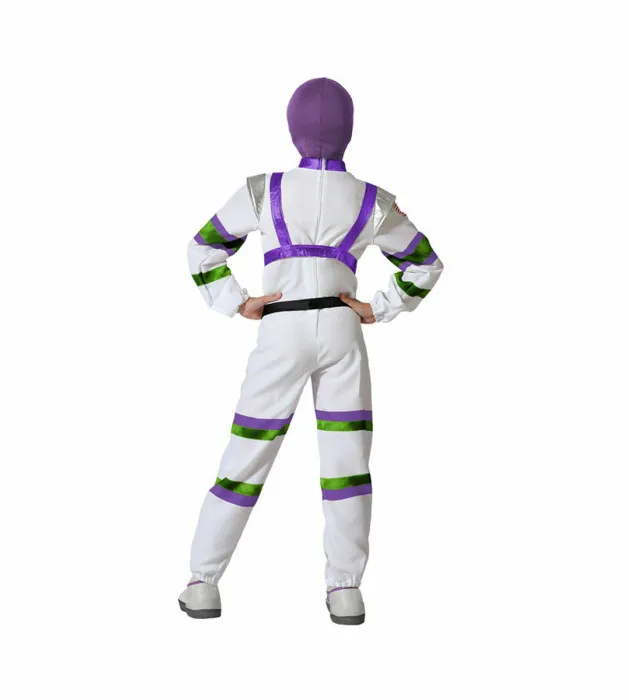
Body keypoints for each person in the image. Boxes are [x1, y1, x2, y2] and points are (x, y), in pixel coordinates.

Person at [179, 78, 444, 624]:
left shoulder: (263, 190)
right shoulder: (372, 199)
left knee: (247, 453)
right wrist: (378, 307)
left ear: (292, 128)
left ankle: (203, 582)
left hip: (281, 330)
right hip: (343, 331)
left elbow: (203, 248)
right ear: (349, 130)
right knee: (348, 463)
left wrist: (238, 302)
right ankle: (346, 590)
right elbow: (426, 263)